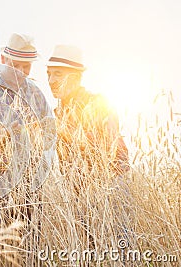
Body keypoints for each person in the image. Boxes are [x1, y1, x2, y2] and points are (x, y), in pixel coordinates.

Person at [46, 44, 133, 249]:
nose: (50, 81)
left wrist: (63, 130)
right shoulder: (55, 114)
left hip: (111, 189)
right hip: (76, 195)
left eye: (58, 74)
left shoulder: (100, 102)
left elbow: (107, 146)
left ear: (76, 77)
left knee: (118, 250)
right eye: (48, 74)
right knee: (87, 251)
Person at [0, 33, 53, 231]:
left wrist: (40, 133)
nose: (21, 72)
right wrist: (12, 130)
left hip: (29, 183)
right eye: (16, 65)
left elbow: (48, 134)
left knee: (30, 246)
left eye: (26, 67)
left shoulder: (35, 93)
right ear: (3, 60)